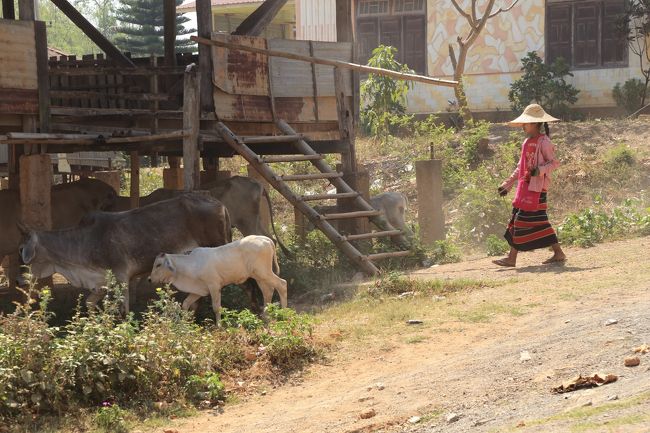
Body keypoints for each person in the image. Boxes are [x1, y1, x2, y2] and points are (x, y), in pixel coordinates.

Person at [493, 104, 566, 267]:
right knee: (534, 220)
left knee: (521, 220)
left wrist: (539, 170)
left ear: (535, 123)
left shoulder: (544, 141)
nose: (523, 126)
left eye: (526, 123)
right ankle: (558, 252)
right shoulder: (526, 142)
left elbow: (554, 163)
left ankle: (512, 258)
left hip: (538, 188)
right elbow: (521, 167)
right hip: (525, 188)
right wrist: (507, 184)